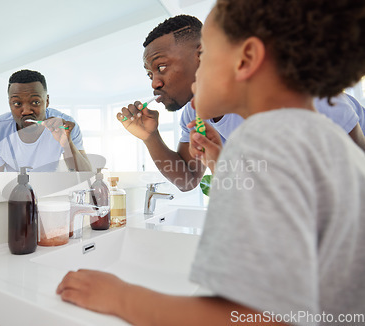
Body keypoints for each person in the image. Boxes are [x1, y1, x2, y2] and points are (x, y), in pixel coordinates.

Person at [57, 1, 365, 325]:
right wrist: (221, 163)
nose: (156, 83)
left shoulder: (270, 133)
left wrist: (122, 297)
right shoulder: (294, 129)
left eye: (204, 57)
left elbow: (260, 318)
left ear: (245, 60)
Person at [118, 14, 365, 192]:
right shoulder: (196, 118)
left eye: (161, 67)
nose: (155, 83)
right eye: (150, 74)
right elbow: (187, 180)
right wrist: (151, 138)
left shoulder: (296, 92)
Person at [0, 69, 91, 172]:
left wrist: (67, 143)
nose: (26, 111)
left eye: (35, 102)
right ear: (9, 103)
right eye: (17, 103)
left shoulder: (66, 125)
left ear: (47, 101)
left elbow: (85, 175)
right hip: (14, 190)